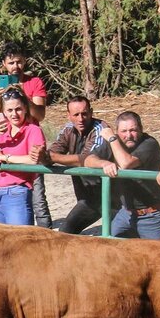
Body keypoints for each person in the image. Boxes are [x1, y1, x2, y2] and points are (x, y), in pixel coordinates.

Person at [0, 43, 50, 227]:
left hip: (29, 140)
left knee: (37, 195)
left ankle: (46, 232)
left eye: (19, 62)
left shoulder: (34, 82)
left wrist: (23, 97)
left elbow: (40, 115)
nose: (16, 66)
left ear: (25, 61)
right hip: (4, 140)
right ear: (4, 64)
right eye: (11, 62)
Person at [85, 111, 160, 239]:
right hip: (127, 213)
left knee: (155, 257)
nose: (129, 135)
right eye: (123, 131)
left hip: (152, 215)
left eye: (133, 130)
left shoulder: (149, 143)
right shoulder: (116, 142)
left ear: (141, 129)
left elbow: (126, 163)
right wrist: (104, 163)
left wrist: (112, 138)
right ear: (118, 132)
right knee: (111, 247)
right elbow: (87, 160)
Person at [0, 88, 45, 226]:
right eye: (10, 110)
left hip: (17, 191)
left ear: (25, 109)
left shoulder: (33, 130)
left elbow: (33, 160)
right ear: (4, 112)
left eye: (18, 109)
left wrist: (5, 157)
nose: (14, 114)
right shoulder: (0, 131)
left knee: (20, 242)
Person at [41, 96, 112, 234]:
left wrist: (53, 157)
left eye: (84, 114)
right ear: (68, 115)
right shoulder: (68, 129)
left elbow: (87, 159)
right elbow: (52, 154)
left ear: (91, 112)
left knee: (117, 239)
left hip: (113, 197)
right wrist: (42, 156)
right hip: (88, 199)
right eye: (76, 115)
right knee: (64, 233)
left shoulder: (101, 129)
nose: (81, 119)